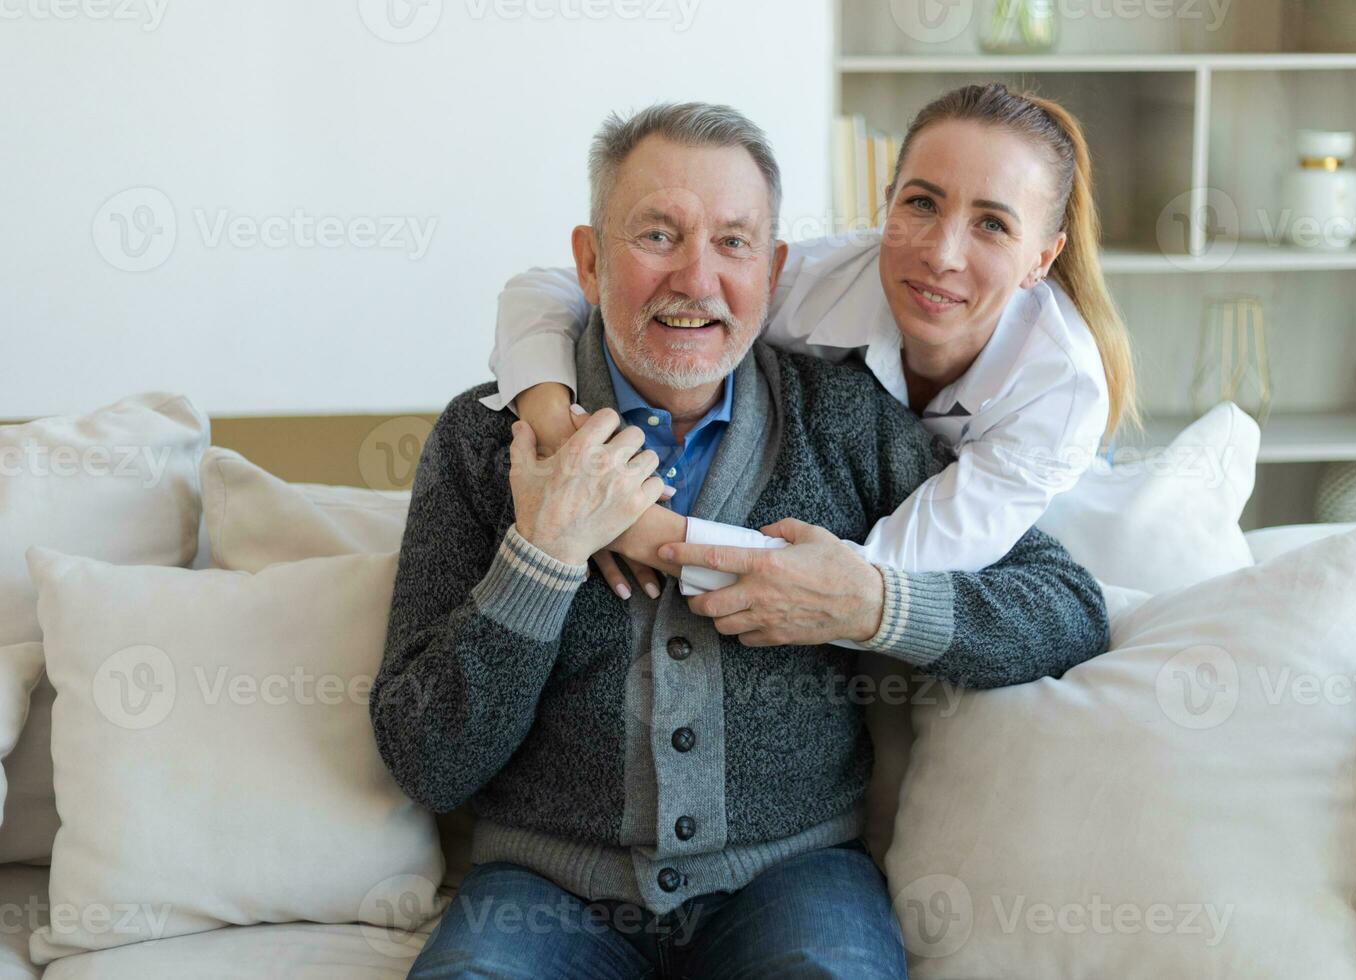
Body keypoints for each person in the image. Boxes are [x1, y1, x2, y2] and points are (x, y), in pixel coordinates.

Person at [372, 101, 1110, 979]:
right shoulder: (482, 440)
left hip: (793, 882)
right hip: (541, 892)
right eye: (656, 235)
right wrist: (542, 557)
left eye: (733, 243)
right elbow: (425, 759)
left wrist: (876, 601)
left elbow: (1067, 610)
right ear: (590, 260)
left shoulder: (850, 421)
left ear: (774, 270)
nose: (696, 278)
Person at [487, 82, 1138, 622]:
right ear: (885, 204)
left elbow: (863, 578)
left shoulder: (1060, 389)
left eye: (992, 224)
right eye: (921, 203)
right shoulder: (810, 285)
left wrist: (637, 529)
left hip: (1042, 504)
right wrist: (556, 430)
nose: (941, 255)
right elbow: (550, 288)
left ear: (1042, 260)